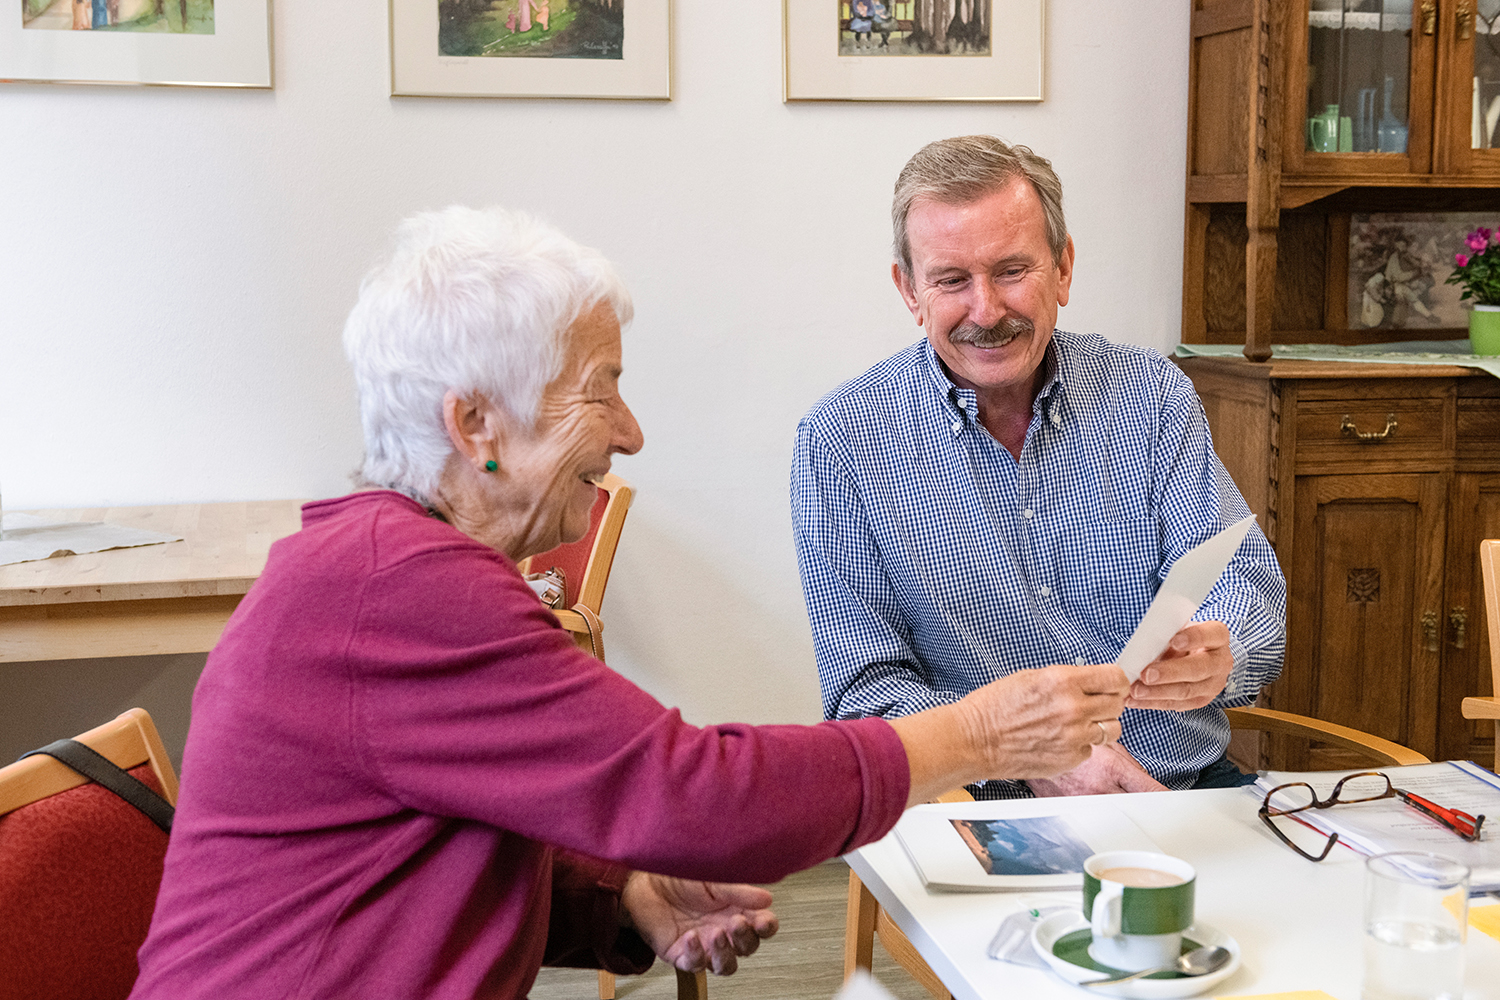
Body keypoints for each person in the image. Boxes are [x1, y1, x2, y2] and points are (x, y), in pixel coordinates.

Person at [127, 205, 1133, 1000]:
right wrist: (977, 736)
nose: (632, 431)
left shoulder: (383, 566)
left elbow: (413, 859)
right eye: (599, 388)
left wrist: (631, 895)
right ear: (476, 420)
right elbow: (692, 791)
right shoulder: (399, 588)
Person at [791, 135, 1287, 800]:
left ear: (1064, 267)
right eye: (951, 280)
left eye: (1011, 270)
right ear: (909, 290)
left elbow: (1242, 578)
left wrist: (1220, 652)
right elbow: (864, 692)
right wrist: (1022, 752)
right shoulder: (841, 441)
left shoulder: (1150, 395)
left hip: (1179, 792)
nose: (986, 311)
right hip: (980, 807)